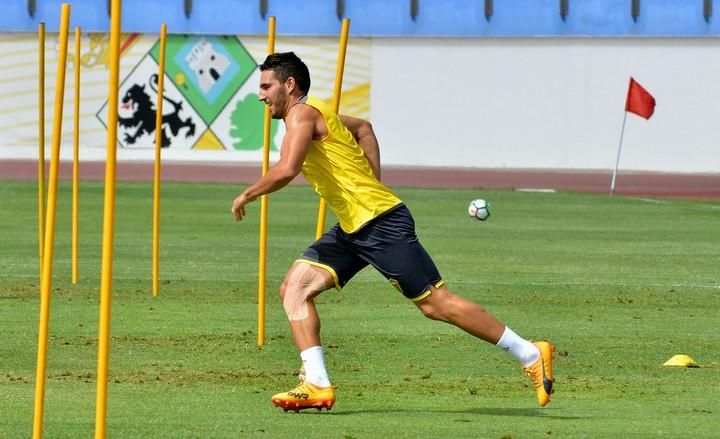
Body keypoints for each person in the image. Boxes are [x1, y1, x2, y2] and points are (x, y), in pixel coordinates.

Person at [231, 52, 555, 412]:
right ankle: (317, 384)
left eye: (266, 86)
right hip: (356, 226)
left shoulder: (301, 114)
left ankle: (529, 352)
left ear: (289, 85)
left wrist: (248, 192)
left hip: (381, 224)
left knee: (436, 304)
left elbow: (288, 168)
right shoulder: (318, 114)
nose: (261, 95)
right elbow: (364, 128)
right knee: (295, 288)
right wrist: (372, 182)